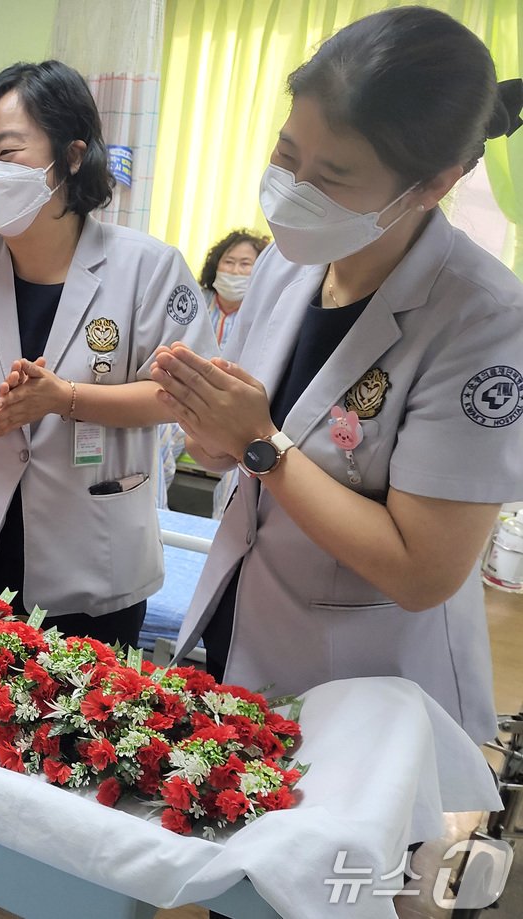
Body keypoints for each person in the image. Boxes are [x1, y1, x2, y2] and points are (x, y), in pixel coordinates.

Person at [154, 7, 523, 753]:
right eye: (287, 154)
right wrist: (210, 428)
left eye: (333, 175)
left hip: (370, 683)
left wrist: (258, 442)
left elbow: (424, 570)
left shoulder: (483, 320)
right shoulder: (290, 260)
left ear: (433, 183)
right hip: (246, 625)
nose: (293, 189)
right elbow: (243, 448)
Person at [0, 59, 216, 916]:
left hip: (93, 545)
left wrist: (65, 398)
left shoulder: (149, 268)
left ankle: (47, 889)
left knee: (73, 739)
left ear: (72, 155)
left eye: (6, 151)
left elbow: (179, 394)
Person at [199, 229, 270, 347]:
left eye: (245, 264)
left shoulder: (263, 314)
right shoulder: (196, 300)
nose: (235, 271)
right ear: (215, 265)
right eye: (229, 262)